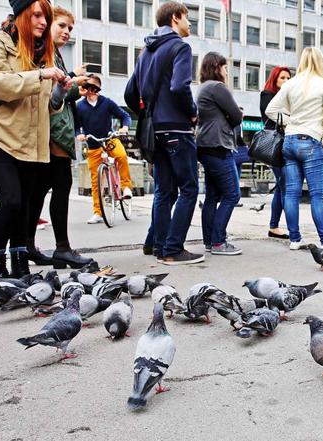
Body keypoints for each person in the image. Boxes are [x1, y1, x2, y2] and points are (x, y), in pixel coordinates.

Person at [0, 0, 72, 279]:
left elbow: (45, 105)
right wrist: (40, 74)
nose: (43, 22)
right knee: (11, 201)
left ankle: (20, 266)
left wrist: (59, 93)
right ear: (21, 14)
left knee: (25, 206)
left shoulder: (43, 51)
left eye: (46, 17)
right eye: (37, 15)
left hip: (29, 138)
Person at [124, 1, 203, 265]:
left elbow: (130, 94)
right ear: (176, 17)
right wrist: (192, 112)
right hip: (177, 128)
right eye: (187, 17)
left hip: (155, 129)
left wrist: (149, 112)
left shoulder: (146, 52)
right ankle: (173, 249)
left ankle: (159, 246)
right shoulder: (180, 47)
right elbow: (180, 86)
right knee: (189, 189)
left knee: (164, 190)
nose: (190, 23)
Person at [26, 5, 93, 268]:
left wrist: (75, 82)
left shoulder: (52, 53)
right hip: (53, 132)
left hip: (53, 131)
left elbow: (59, 91)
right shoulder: (45, 53)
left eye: (70, 28)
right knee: (59, 187)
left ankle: (29, 246)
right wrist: (76, 82)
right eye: (61, 26)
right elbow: (52, 92)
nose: (66, 32)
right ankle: (61, 248)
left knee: (40, 190)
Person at [265, 47, 323, 254]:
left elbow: (270, 110)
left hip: (290, 141)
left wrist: (290, 123)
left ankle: (295, 238)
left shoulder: (290, 84)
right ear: (320, 62)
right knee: (317, 195)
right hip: (312, 141)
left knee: (291, 193)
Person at [195, 52, 243, 255]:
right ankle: (218, 242)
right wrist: (232, 114)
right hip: (219, 146)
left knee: (212, 196)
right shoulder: (217, 87)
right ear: (216, 68)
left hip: (206, 146)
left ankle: (210, 240)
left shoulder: (203, 88)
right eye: (224, 67)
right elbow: (237, 116)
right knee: (232, 194)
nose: (226, 71)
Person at [76, 74, 132, 224]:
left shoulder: (106, 103)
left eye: (92, 87)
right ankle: (98, 213)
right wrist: (79, 134)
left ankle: (126, 187)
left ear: (97, 88)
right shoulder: (80, 106)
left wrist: (125, 127)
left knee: (121, 155)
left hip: (109, 140)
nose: (89, 90)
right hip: (93, 145)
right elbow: (76, 126)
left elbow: (125, 116)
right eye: (87, 86)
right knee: (96, 181)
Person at [260, 66, 291, 240]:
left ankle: (274, 226)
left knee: (281, 185)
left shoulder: (285, 97)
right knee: (284, 185)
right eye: (282, 78)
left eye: (288, 78)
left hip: (285, 144)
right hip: (275, 146)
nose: (286, 81)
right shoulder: (268, 95)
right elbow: (270, 116)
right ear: (275, 79)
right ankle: (289, 228)